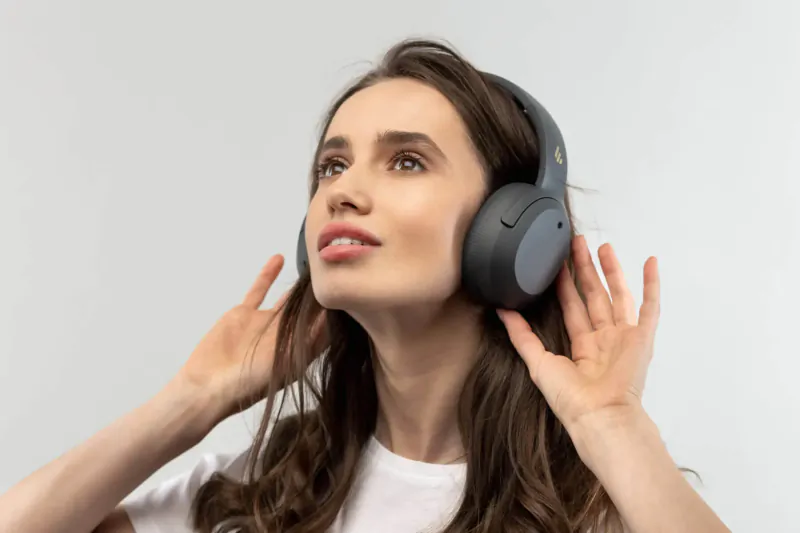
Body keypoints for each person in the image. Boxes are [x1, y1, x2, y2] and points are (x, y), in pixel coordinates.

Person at [0, 39, 730, 533]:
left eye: (406, 162)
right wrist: (190, 401)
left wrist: (616, 432)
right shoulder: (269, 486)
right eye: (332, 166)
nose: (343, 193)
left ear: (511, 227)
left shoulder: (604, 503)